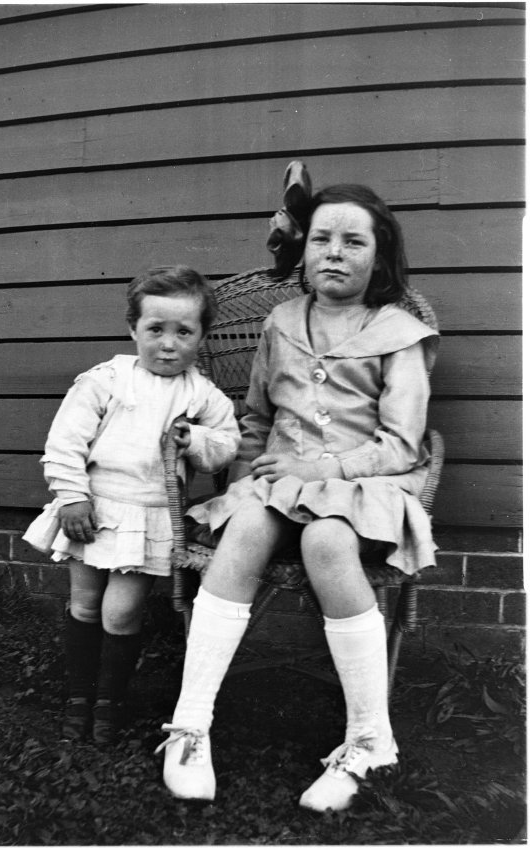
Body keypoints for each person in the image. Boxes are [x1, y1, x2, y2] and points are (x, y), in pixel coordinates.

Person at [156, 175, 439, 810]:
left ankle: (370, 737)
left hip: (366, 484)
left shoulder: (400, 333)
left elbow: (402, 442)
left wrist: (328, 472)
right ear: (304, 252)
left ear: (380, 255)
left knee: (328, 540)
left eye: (353, 241)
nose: (335, 252)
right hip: (278, 479)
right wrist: (241, 487)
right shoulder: (282, 321)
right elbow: (256, 419)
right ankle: (190, 725)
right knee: (250, 529)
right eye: (322, 239)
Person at [23, 265, 240, 745]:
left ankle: (109, 704)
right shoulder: (108, 379)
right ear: (133, 329)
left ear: (202, 336)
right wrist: (72, 496)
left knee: (119, 613)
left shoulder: (201, 394)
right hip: (92, 511)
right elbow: (65, 442)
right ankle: (79, 697)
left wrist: (196, 439)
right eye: (155, 330)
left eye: (184, 332)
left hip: (148, 518)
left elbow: (228, 445)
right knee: (83, 604)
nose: (168, 344)